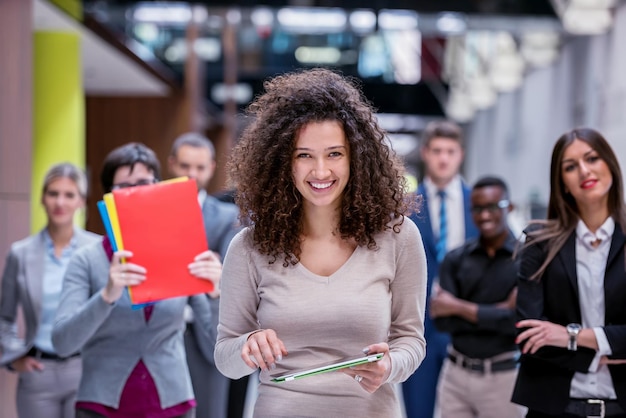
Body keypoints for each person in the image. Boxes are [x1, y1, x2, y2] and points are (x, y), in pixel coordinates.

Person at [213, 68, 427, 417]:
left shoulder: (399, 237)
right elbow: (226, 357)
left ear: (357, 157)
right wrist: (247, 347)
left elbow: (411, 341)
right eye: (304, 155)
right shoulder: (250, 247)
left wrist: (391, 365)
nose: (321, 171)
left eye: (334, 154)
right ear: (283, 162)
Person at [51, 143, 219, 418]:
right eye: (124, 186)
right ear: (109, 196)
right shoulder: (87, 260)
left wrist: (216, 294)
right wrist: (106, 295)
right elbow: (63, 343)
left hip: (173, 404)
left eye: (144, 183)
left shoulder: (181, 252)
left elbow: (216, 345)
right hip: (101, 407)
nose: (136, 193)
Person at [512, 127, 626, 417]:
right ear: (561, 182)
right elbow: (531, 334)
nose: (584, 171)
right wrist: (602, 353)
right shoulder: (538, 243)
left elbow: (551, 335)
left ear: (610, 165)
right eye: (571, 166)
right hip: (554, 408)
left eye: (592, 159)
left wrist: (570, 337)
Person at [0, 163, 101, 418]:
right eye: (53, 193)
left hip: (86, 369)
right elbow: (4, 317)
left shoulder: (97, 249)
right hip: (38, 375)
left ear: (81, 201)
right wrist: (14, 358)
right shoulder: (20, 254)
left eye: (69, 195)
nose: (60, 202)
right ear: (42, 198)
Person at [430, 175, 525, 418]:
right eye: (478, 208)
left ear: (509, 207)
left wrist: (457, 307)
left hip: (503, 378)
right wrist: (499, 310)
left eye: (493, 207)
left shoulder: (526, 260)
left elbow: (518, 323)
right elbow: (442, 320)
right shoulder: (456, 258)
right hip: (455, 375)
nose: (484, 216)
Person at [403, 119, 479, 418]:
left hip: (469, 327)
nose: (443, 158)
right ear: (425, 153)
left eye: (450, 151)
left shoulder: (480, 205)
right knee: (419, 409)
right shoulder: (406, 208)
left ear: (460, 154)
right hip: (419, 326)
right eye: (437, 151)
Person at [168, 132, 242, 418]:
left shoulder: (228, 216)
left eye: (199, 168)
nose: (192, 174)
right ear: (172, 164)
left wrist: (217, 277)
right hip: (157, 330)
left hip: (205, 328)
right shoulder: (154, 212)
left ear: (212, 168)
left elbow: (230, 276)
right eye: (185, 166)